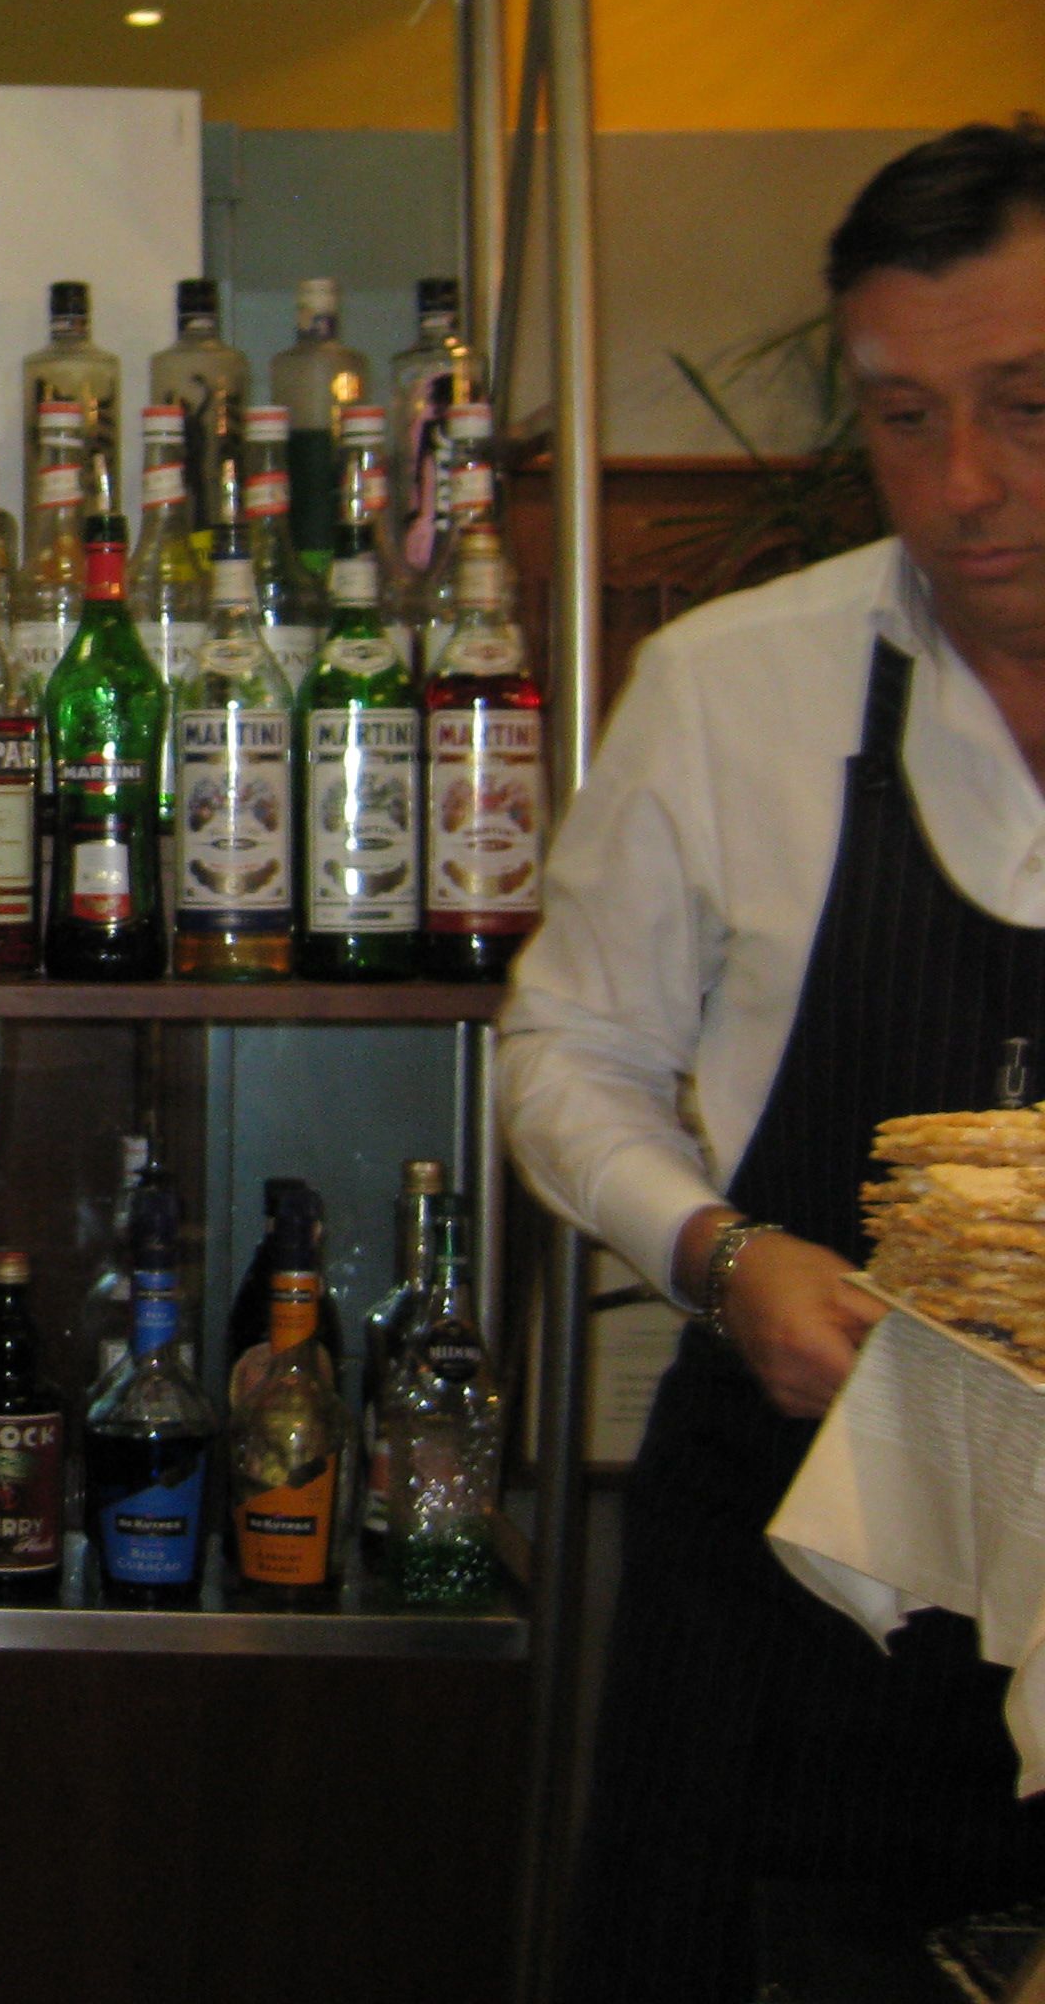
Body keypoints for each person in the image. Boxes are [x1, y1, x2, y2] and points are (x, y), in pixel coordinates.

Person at [501, 118, 1045, 2000]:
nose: (964, 483)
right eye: (902, 417)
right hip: (787, 1578)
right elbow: (565, 1053)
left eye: (1027, 406)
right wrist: (719, 1254)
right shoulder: (737, 686)